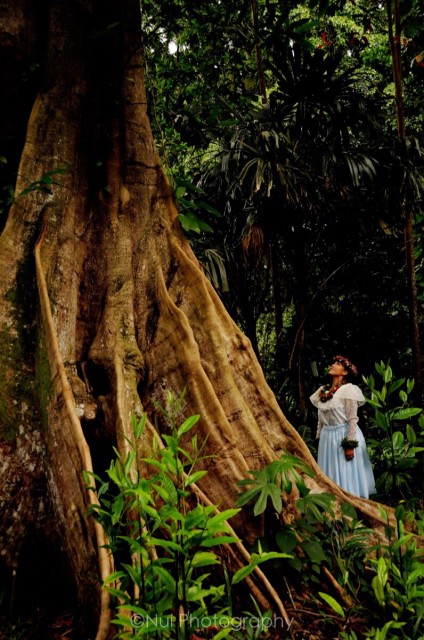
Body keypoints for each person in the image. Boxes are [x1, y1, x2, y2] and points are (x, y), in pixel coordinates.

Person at [310, 355, 376, 499]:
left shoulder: (348, 390)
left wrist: (349, 444)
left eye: (337, 364)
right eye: (333, 362)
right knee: (330, 473)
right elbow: (320, 419)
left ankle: (351, 505)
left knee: (345, 472)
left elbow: (352, 419)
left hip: (343, 435)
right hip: (327, 439)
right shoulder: (323, 391)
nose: (332, 365)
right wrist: (318, 437)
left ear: (345, 372)